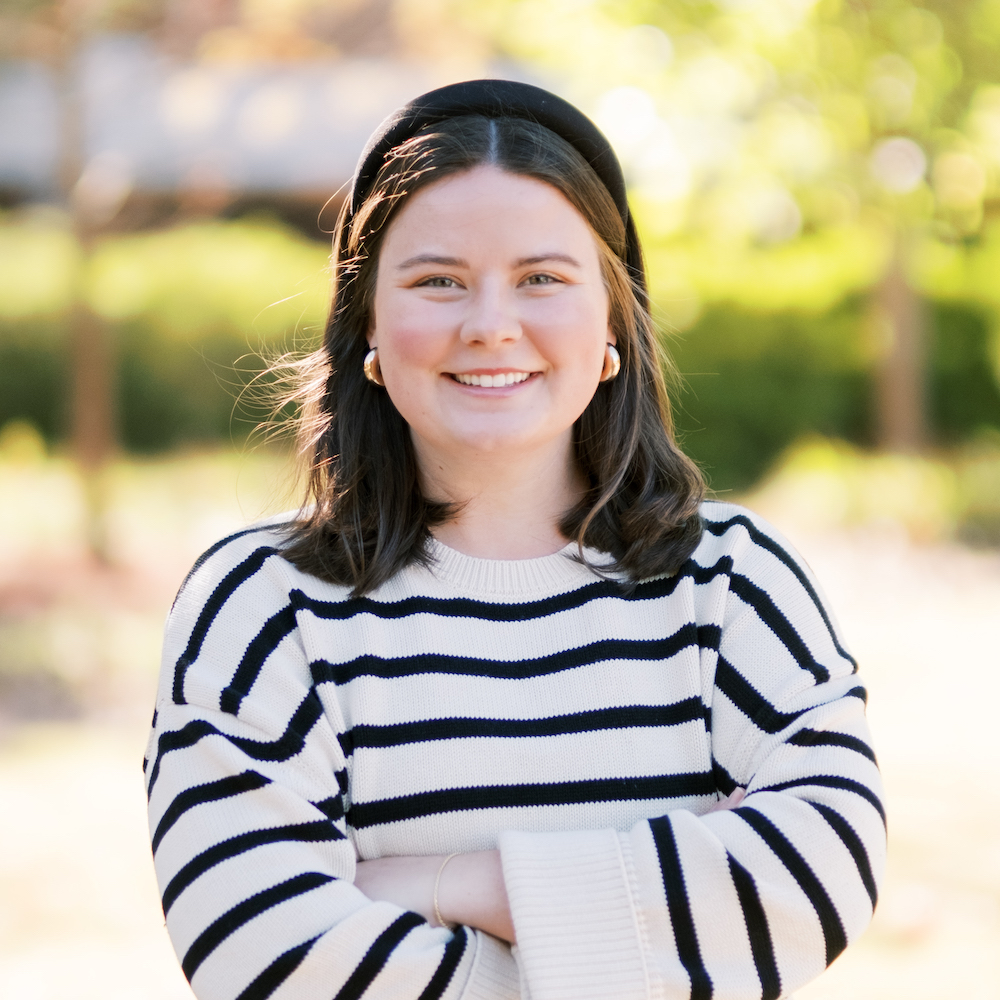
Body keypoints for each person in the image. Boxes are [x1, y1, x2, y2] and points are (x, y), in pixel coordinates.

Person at [145, 80, 884, 1000]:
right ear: (367, 325)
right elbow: (262, 949)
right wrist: (653, 918)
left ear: (613, 320)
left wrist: (456, 884)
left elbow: (820, 874)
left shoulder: (731, 585)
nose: (491, 323)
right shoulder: (261, 608)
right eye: (437, 280)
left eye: (543, 278)